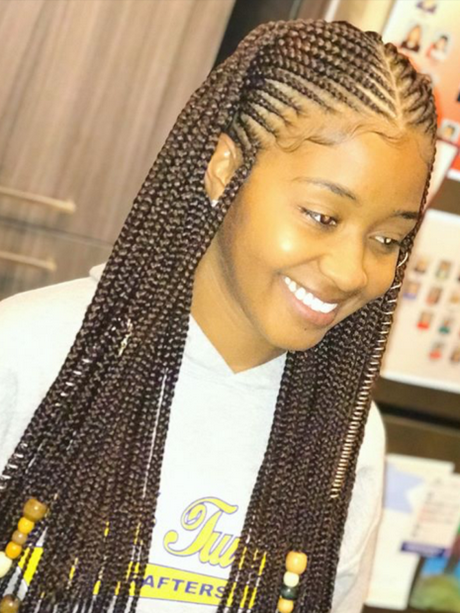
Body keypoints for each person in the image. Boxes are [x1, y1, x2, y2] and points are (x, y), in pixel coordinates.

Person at [0, 17, 436, 613]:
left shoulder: (344, 436)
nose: (350, 271)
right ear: (225, 166)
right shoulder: (27, 354)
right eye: (321, 216)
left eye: (387, 240)